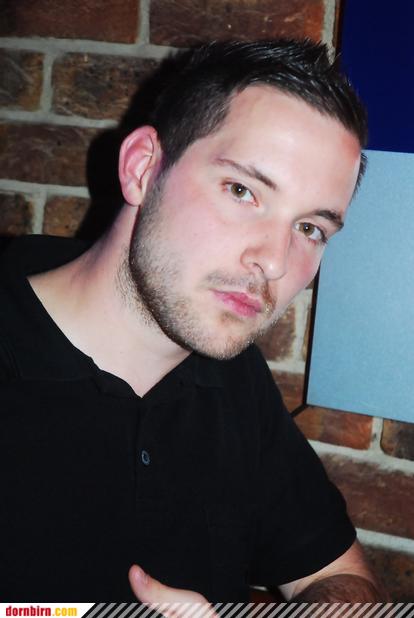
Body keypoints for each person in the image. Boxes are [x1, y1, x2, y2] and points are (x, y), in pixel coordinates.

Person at [0, 39, 385, 603]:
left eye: (310, 228)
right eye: (242, 191)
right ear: (142, 168)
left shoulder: (233, 377)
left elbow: (336, 574)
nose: (274, 262)